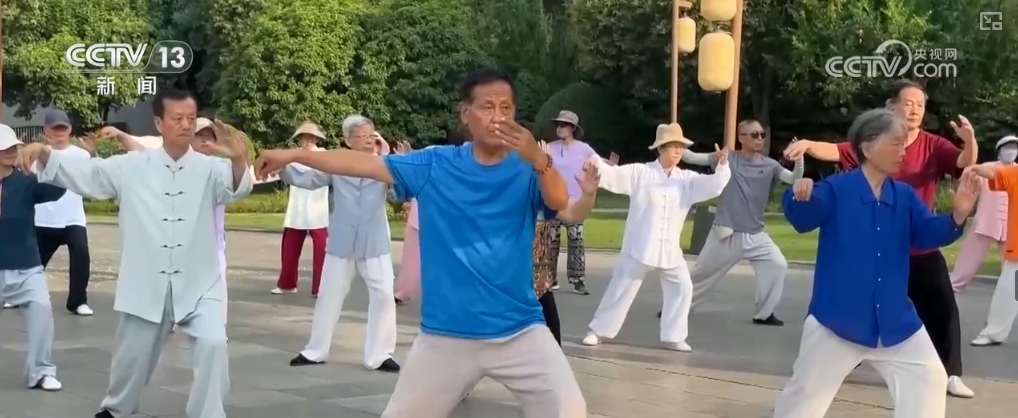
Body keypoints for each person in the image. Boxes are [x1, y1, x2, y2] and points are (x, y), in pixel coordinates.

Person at [254, 68, 591, 417]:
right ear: (465, 113)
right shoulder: (436, 164)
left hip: (519, 330)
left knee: (568, 410)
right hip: (446, 336)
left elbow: (558, 201)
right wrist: (295, 155)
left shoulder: (527, 168)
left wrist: (539, 160)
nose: (498, 117)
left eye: (506, 108)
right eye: (487, 107)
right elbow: (363, 164)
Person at [18, 89, 253, 418]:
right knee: (131, 358)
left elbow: (237, 187)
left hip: (200, 282)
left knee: (214, 343)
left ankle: (208, 414)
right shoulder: (131, 166)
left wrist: (239, 158)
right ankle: (117, 409)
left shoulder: (211, 168)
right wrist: (44, 153)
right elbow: (88, 175)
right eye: (177, 118)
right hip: (145, 280)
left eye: (191, 118)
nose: (186, 125)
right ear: (158, 123)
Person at [773, 108, 976, 418]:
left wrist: (958, 215)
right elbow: (803, 218)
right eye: (895, 143)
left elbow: (926, 234)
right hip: (836, 320)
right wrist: (798, 195)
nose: (902, 151)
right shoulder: (837, 189)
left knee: (929, 377)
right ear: (867, 148)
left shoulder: (904, 196)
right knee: (803, 401)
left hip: (895, 320)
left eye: (903, 143)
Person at [99, 119, 274, 325]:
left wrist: (239, 157)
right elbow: (141, 153)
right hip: (175, 250)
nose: (205, 140)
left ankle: (211, 331)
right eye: (200, 135)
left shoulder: (219, 169)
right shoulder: (169, 166)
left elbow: (244, 179)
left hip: (211, 253)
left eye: (210, 136)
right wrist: (122, 136)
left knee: (212, 312)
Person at [581, 123, 731, 352]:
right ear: (660, 148)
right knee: (621, 288)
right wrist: (593, 161)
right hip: (639, 246)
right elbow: (613, 175)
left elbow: (714, 185)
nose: (678, 150)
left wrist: (722, 165)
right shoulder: (640, 173)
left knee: (682, 287)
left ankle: (674, 336)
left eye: (681, 146)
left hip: (669, 249)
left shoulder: (687, 180)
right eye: (673, 145)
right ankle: (598, 331)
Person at [282, 114, 401, 373]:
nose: (368, 140)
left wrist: (395, 165)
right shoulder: (336, 166)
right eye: (361, 136)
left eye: (371, 135)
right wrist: (281, 165)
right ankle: (315, 350)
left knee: (383, 296)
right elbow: (307, 179)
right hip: (341, 241)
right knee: (329, 295)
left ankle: (380, 355)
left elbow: (397, 195)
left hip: (374, 241)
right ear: (348, 141)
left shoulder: (384, 165)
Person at [662, 119, 803, 325]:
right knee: (701, 274)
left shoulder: (770, 165)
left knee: (777, 264)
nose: (760, 139)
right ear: (741, 138)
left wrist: (799, 159)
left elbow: (794, 178)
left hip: (755, 235)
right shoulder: (727, 158)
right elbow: (691, 157)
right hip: (726, 233)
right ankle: (675, 307)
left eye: (762, 135)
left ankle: (763, 314)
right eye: (754, 135)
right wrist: (674, 140)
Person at [0, 124, 65, 392]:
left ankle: (41, 371)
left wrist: (46, 155)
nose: (10, 151)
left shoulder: (26, 180)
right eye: (4, 148)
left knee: (42, 311)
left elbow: (57, 190)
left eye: (13, 147)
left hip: (26, 266)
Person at [32, 109, 95, 316]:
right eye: (55, 128)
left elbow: (93, 177)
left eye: (63, 127)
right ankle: (19, 295)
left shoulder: (81, 154)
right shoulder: (37, 154)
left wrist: (92, 154)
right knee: (34, 263)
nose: (59, 131)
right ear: (46, 130)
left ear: (69, 129)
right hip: (45, 217)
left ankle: (78, 301)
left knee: (81, 256)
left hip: (73, 218)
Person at [949, 135, 1015, 294]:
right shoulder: (986, 168)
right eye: (1007, 147)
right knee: (969, 257)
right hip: (986, 220)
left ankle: (1011, 291)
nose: (1011, 151)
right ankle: (953, 285)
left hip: (1011, 225)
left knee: (1012, 264)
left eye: (1014, 148)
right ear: (999, 151)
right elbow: (969, 181)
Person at [967, 144, 1018, 346]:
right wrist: (974, 167)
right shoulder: (1015, 174)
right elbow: (992, 173)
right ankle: (994, 333)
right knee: (1008, 293)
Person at [271, 122, 330, 296]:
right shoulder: (293, 156)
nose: (307, 141)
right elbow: (280, 170)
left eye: (310, 138)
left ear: (316, 139)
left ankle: (321, 287)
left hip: (318, 208)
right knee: (289, 249)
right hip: (297, 208)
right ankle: (287, 284)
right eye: (304, 138)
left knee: (322, 249)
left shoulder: (324, 156)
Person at [546, 110, 595, 294]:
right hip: (554, 200)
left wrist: (610, 166)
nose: (559, 128)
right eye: (557, 125)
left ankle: (578, 280)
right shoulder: (549, 147)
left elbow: (598, 163)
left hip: (575, 202)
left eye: (563, 125)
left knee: (576, 241)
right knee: (550, 241)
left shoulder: (584, 149)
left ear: (572, 128)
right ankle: (550, 278)